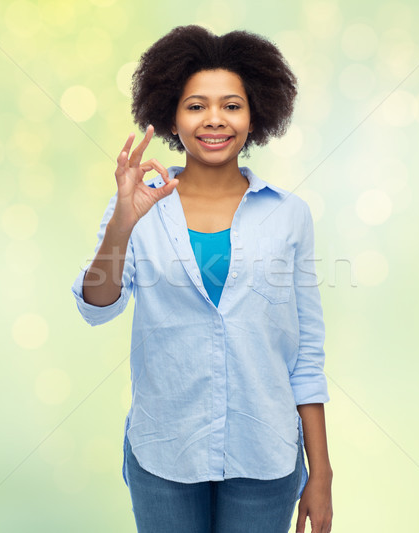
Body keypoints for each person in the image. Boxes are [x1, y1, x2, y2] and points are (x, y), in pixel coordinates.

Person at [71, 25, 333, 533]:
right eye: (196, 106)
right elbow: (96, 307)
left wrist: (320, 471)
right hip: (164, 452)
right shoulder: (136, 206)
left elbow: (307, 355)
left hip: (267, 455)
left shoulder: (288, 215)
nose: (214, 119)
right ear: (171, 113)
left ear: (255, 113)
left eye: (231, 105)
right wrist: (123, 223)